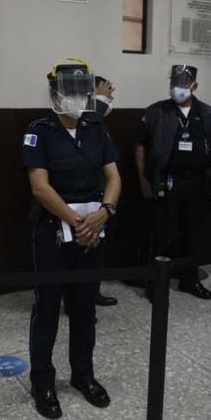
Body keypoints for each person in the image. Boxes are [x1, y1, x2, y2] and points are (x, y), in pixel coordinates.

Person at [23, 59, 121, 419]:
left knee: (84, 310)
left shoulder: (96, 126)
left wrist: (104, 213)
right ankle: (43, 382)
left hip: (93, 231)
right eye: (69, 91)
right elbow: (39, 187)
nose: (77, 98)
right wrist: (79, 221)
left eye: (82, 91)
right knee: (46, 310)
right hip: (53, 232)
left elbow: (113, 176)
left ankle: (83, 375)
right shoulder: (38, 130)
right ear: (54, 93)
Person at [134, 65, 211, 300]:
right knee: (160, 234)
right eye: (175, 82)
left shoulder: (206, 113)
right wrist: (143, 178)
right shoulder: (156, 111)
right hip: (165, 181)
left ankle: (189, 280)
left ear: (194, 86)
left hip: (195, 182)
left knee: (192, 233)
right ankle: (155, 284)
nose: (178, 88)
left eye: (184, 83)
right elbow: (140, 145)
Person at [92, 74, 118, 307]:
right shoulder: (89, 118)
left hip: (102, 195)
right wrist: (98, 98)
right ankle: (84, 295)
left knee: (98, 247)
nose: (112, 96)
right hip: (86, 196)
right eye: (108, 91)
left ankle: (93, 292)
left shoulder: (101, 123)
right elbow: (90, 117)